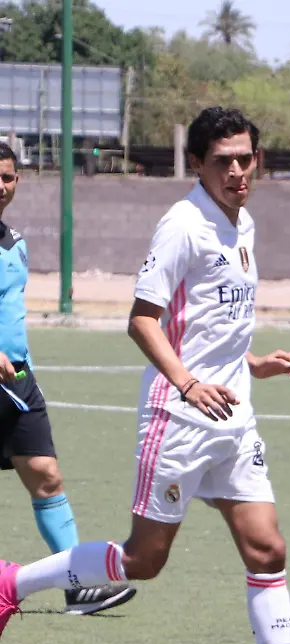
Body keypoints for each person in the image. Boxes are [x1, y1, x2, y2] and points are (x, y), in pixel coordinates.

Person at [0, 106, 290, 644]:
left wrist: (256, 363)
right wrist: (188, 384)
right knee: (143, 561)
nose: (238, 170)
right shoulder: (182, 226)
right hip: (179, 418)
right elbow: (143, 320)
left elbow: (209, 324)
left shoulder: (244, 222)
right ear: (197, 164)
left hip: (233, 417)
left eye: (246, 158)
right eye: (223, 160)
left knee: (268, 547)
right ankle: (14, 582)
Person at [0, 143, 136, 616]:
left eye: (8, 178)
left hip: (17, 381)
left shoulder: (14, 240)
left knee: (47, 476)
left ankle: (77, 584)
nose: (2, 187)